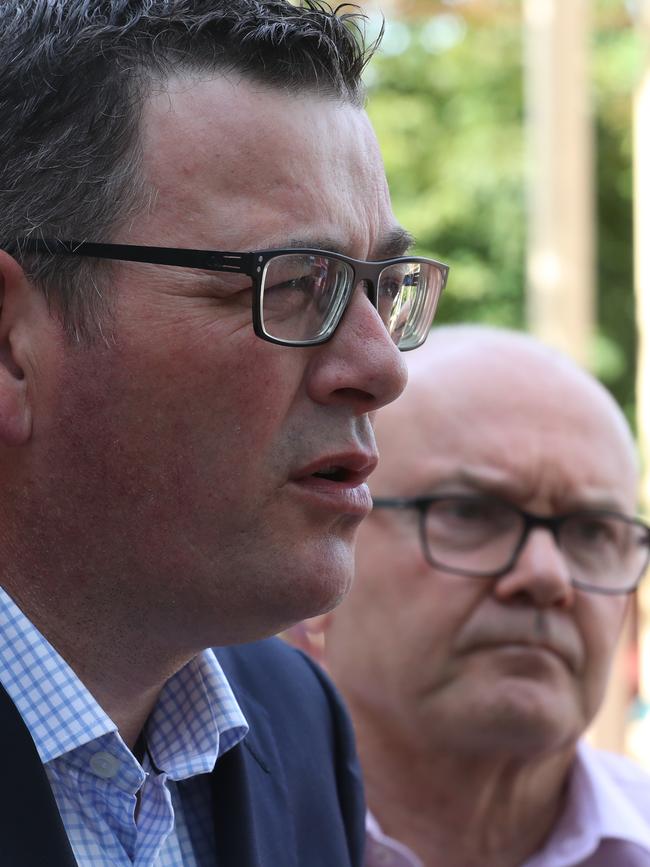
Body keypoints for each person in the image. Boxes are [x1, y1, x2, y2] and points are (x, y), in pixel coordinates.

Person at [0, 3, 448, 865]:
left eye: (380, 285)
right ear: (8, 342)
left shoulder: (296, 723)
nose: (381, 366)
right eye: (292, 282)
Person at [296, 325, 650, 867]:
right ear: (331, 541)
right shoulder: (190, 832)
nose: (545, 576)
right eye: (471, 513)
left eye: (592, 532)